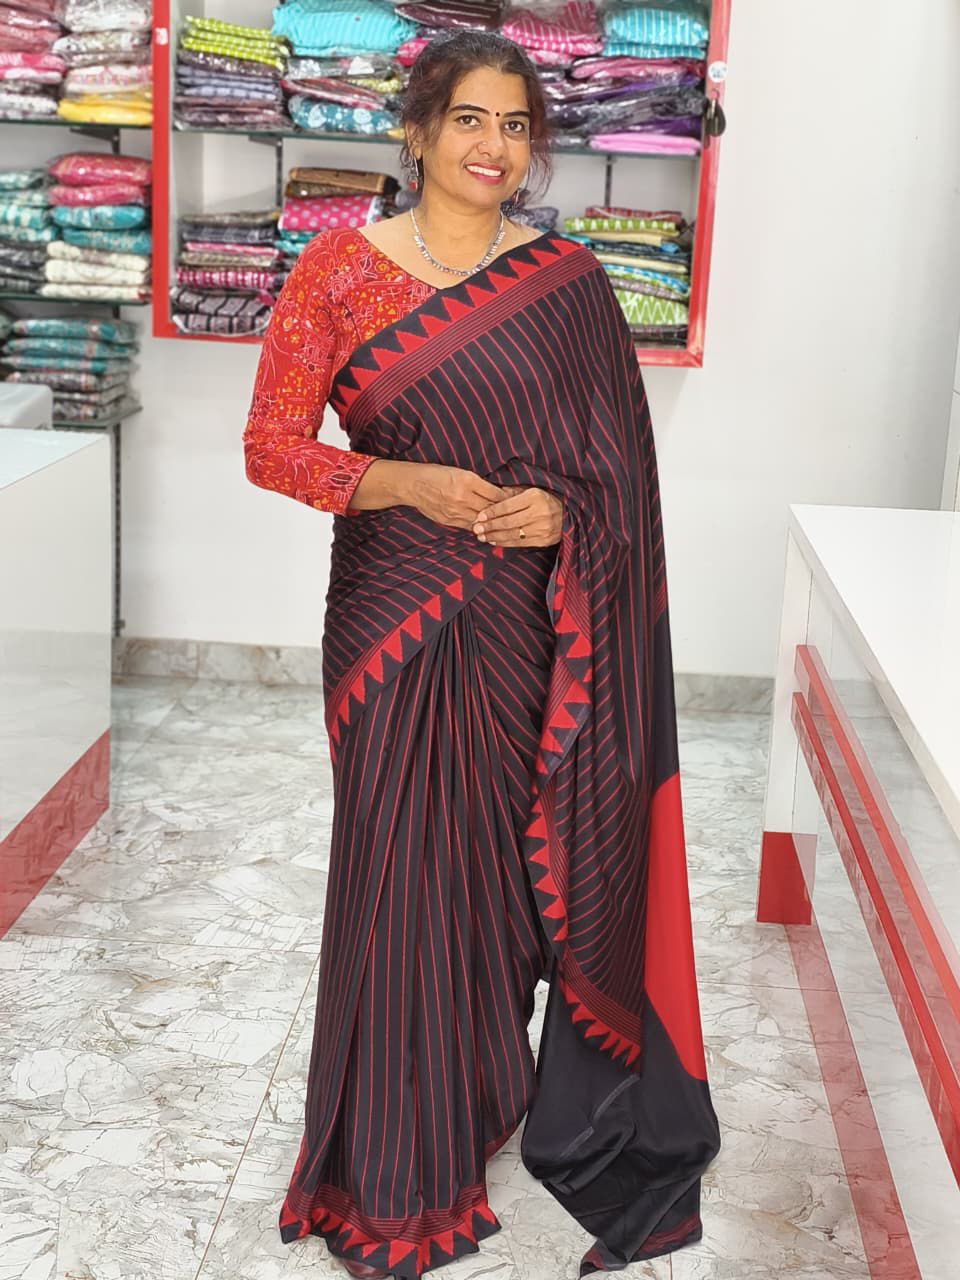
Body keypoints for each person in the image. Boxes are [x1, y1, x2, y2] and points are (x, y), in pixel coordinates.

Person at [242, 29, 721, 1280]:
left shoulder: (567, 281)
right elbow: (273, 446)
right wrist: (410, 482)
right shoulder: (339, 271)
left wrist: (562, 512)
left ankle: (483, 1092)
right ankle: (394, 1167)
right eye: (467, 119)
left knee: (505, 882)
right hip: (397, 619)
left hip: (530, 621)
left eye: (514, 126)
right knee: (406, 877)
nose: (491, 147)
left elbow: (616, 471)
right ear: (415, 131)